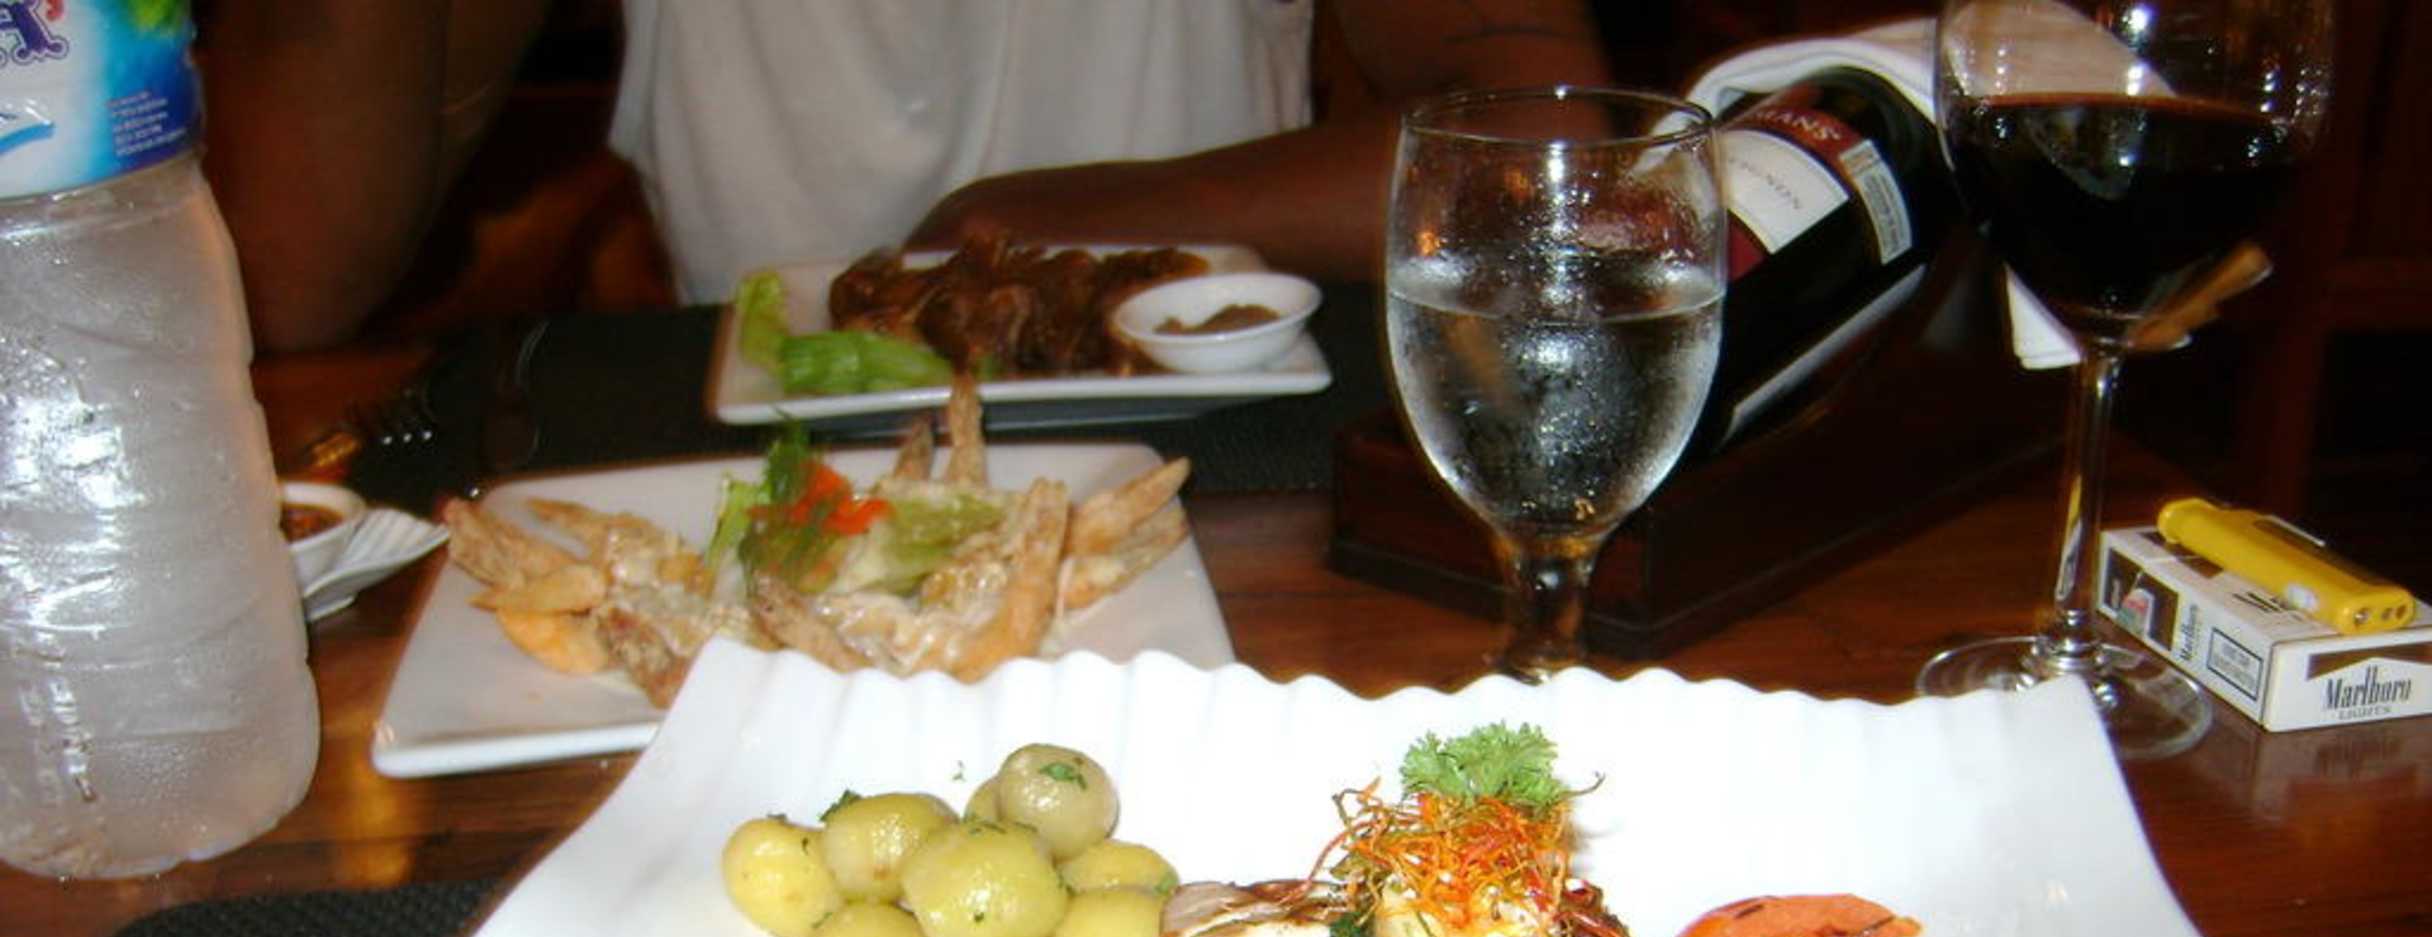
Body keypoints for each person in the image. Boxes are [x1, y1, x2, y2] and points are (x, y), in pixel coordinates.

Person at [197, 0, 1616, 351]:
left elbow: (1561, 159)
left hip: (1229, 473)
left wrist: (1019, 231)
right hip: (757, 509)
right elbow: (281, 279)